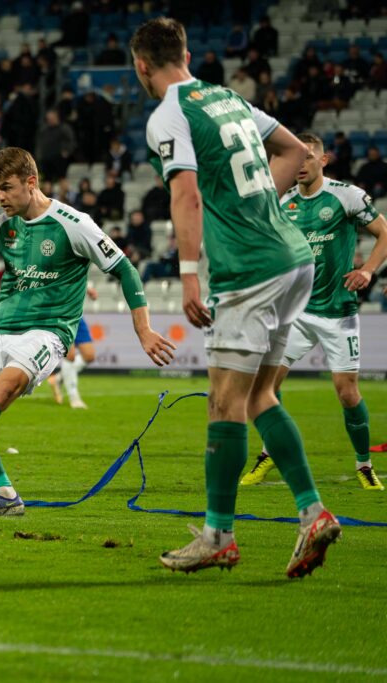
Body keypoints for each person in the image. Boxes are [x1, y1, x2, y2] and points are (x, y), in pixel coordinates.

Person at [131, 18, 340, 577]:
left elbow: (186, 195)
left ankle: (218, 535)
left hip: (249, 269)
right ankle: (313, 513)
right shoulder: (228, 98)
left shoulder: (168, 114)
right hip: (292, 258)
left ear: (141, 66)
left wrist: (189, 277)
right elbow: (296, 151)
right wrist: (258, 204)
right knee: (258, 397)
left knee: (224, 403)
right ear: (187, 55)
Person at [0, 147, 174, 515]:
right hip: (0, 327)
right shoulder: (5, 224)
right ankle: (3, 494)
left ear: (31, 182)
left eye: (6, 187)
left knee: (5, 388)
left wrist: (143, 329)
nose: (0, 197)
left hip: (47, 331)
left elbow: (124, 269)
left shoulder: (73, 223)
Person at [240, 133, 387, 490]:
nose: (301, 164)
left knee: (346, 393)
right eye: (296, 158)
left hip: (337, 310)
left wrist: (368, 270)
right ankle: (269, 453)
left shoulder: (346, 196)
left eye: (308, 157)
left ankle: (364, 464)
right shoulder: (283, 201)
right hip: (295, 312)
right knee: (265, 387)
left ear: (323, 160)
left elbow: (384, 233)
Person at [47, 286, 98, 409]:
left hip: (76, 313)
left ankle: (58, 379)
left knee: (89, 356)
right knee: (70, 356)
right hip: (59, 314)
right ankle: (74, 398)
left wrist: (87, 288)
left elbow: (74, 278)